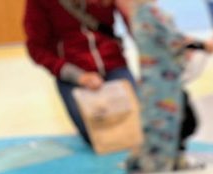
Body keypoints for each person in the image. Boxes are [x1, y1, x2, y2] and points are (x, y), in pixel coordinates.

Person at [115, 0, 213, 172]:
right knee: (175, 123)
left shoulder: (138, 13)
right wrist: (204, 45)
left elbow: (163, 41)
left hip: (154, 80)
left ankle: (168, 160)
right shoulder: (149, 11)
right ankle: (166, 163)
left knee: (160, 124)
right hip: (164, 83)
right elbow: (174, 39)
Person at [23, 0, 134, 146]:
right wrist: (77, 76)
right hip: (73, 74)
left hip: (114, 65)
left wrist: (131, 11)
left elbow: (140, 29)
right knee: (98, 135)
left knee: (141, 126)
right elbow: (36, 49)